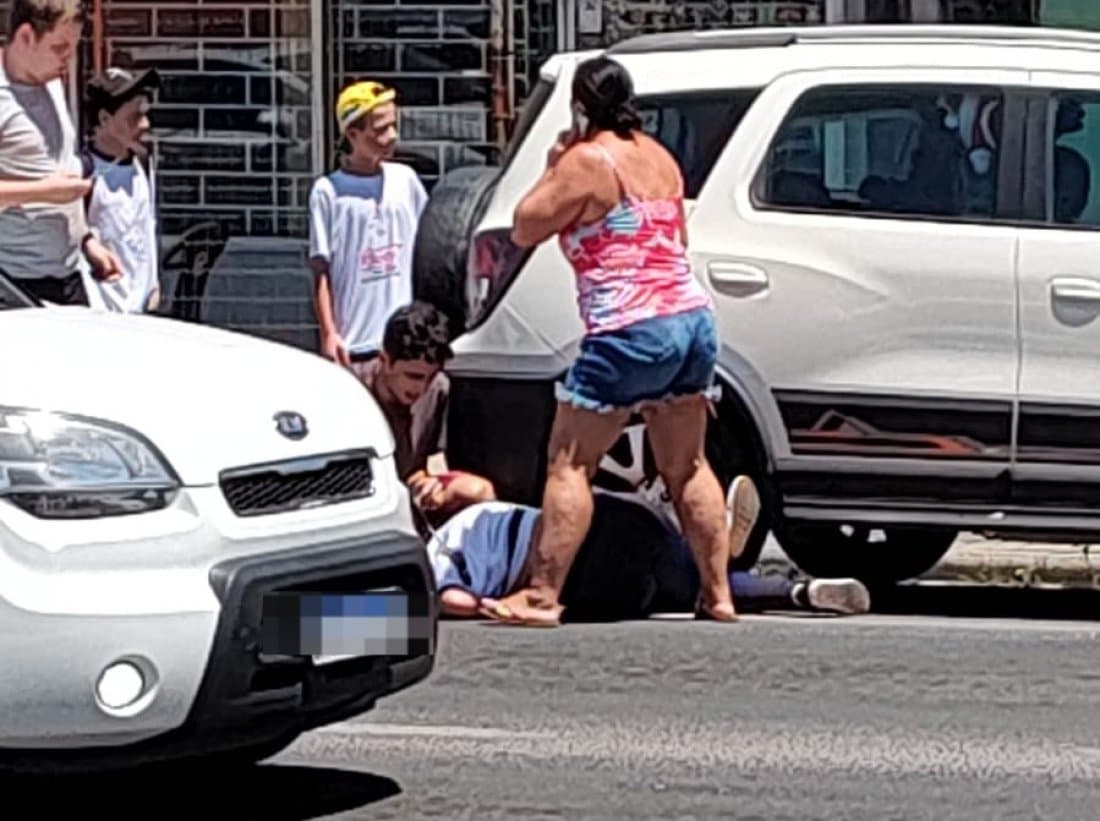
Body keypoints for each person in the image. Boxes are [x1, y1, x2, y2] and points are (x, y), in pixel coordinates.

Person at [486, 56, 735, 625]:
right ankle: (718, 594)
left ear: (579, 106)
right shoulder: (660, 156)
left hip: (628, 326)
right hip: (692, 318)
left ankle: (541, 595)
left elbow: (525, 225)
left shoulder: (586, 161)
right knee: (688, 464)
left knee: (571, 463)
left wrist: (552, 164)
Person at [429, 478, 871, 622]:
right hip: (612, 525)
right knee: (694, 577)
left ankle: (792, 593)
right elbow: (479, 487)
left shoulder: (435, 556)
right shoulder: (467, 525)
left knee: (677, 589)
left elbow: (452, 602)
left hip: (589, 576)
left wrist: (480, 604)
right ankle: (723, 544)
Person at [0, 0, 123, 305]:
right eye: (59, 48)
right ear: (26, 36)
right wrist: (45, 192)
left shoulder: (51, 84)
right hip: (12, 283)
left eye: (73, 48)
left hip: (67, 274)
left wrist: (86, 239)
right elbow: (54, 186)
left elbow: (60, 163)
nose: (67, 60)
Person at [310, 80, 428, 374]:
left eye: (393, 125)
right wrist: (329, 333)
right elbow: (320, 269)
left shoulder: (406, 180)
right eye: (379, 130)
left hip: (403, 345)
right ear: (353, 134)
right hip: (355, 346)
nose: (391, 137)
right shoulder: (329, 191)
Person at [361, 301, 496, 524]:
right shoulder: (354, 389)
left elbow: (431, 462)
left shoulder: (439, 389)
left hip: (411, 489)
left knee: (480, 491)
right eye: (413, 376)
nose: (421, 388)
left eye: (430, 377)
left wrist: (429, 484)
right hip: (369, 495)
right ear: (385, 361)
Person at [80, 66, 160, 313]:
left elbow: (146, 225)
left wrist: (153, 282)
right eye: (134, 117)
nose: (144, 124)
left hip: (142, 305)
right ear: (104, 119)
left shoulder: (143, 165)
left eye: (145, 114)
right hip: (104, 308)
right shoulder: (85, 172)